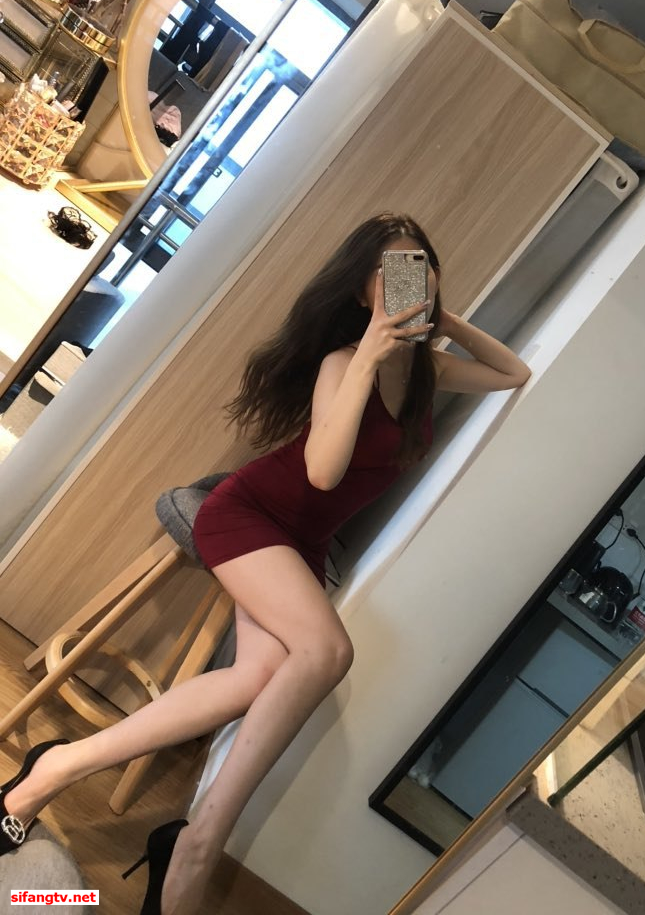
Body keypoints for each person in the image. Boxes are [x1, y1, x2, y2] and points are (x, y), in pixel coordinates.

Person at [0, 213, 531, 914]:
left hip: (299, 546)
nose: (408, 280)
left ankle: (53, 768)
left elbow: (513, 372)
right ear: (362, 291)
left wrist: (441, 318)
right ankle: (198, 844)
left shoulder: (429, 370)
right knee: (326, 650)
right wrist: (369, 355)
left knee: (255, 678)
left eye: (419, 266)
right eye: (390, 272)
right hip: (250, 515)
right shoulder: (343, 363)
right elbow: (321, 472)